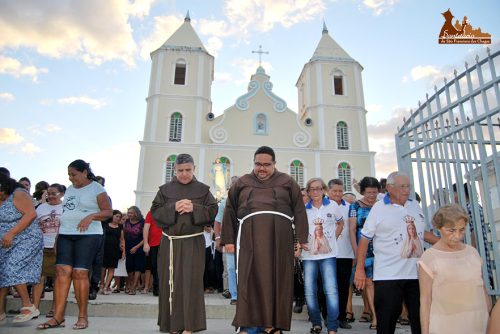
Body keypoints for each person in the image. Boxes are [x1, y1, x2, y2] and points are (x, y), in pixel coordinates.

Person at [221, 146, 308, 334]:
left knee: (278, 281)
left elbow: (299, 210)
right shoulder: (242, 182)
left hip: (280, 240)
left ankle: (272, 325)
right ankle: (247, 325)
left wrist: (300, 239)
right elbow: (229, 210)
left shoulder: (287, 182)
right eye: (258, 164)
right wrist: (228, 240)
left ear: (274, 164)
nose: (262, 168)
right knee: (249, 280)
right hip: (249, 240)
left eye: (266, 165)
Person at [37, 159, 112, 330]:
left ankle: (83, 316)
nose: (71, 178)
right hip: (65, 234)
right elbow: (67, 212)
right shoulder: (70, 189)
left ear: (85, 172)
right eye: (69, 175)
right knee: (62, 271)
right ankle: (57, 317)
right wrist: (57, 237)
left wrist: (91, 216)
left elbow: (108, 212)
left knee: (79, 273)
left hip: (88, 235)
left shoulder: (97, 188)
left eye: (74, 174)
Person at [151, 153, 218, 334]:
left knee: (191, 282)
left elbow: (213, 211)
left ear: (194, 169)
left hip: (193, 242)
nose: (184, 174)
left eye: (188, 170)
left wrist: (194, 208)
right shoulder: (164, 190)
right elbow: (155, 212)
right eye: (180, 170)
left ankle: (189, 326)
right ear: (175, 170)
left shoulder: (203, 190)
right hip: (169, 243)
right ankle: (172, 325)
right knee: (169, 281)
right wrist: (173, 207)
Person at [354, 171, 424, 334]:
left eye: (408, 186)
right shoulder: (379, 208)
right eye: (402, 187)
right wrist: (359, 269)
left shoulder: (414, 205)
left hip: (416, 274)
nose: (406, 190)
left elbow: (421, 233)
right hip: (388, 276)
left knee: (420, 320)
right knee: (386, 322)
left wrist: (442, 241)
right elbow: (364, 238)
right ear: (389, 188)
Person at [419, 204, 490, 334]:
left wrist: (489, 319)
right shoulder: (429, 258)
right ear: (439, 228)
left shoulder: (472, 253)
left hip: (478, 323)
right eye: (451, 230)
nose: (457, 236)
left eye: (462, 230)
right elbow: (425, 300)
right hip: (445, 326)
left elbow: (481, 288)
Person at [302, 178, 344, 334]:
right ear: (308, 191)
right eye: (312, 189)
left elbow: (341, 223)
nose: (315, 192)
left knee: (331, 290)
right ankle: (316, 323)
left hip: (328, 255)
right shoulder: (303, 209)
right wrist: (301, 242)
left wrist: (334, 238)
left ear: (324, 190)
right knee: (309, 291)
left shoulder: (333, 206)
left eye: (318, 188)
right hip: (309, 256)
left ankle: (332, 326)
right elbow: (298, 229)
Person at [0, 173, 43, 324]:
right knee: (2, 273)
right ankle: (1, 313)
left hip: (27, 238)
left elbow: (31, 214)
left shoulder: (19, 194)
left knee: (12, 268)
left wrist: (11, 233)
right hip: (5, 241)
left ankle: (28, 306)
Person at [349, 176, 380, 330]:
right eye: (368, 192)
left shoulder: (382, 205)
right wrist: (356, 252)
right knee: (368, 282)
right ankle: (375, 317)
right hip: (364, 249)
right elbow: (352, 230)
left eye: (374, 192)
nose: (371, 196)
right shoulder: (355, 206)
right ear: (362, 192)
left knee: (382, 283)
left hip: (382, 249)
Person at [32, 183, 66, 316]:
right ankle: (34, 308)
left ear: (62, 194)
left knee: (58, 278)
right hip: (42, 246)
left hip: (60, 246)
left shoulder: (65, 208)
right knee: (39, 277)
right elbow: (32, 224)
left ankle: (55, 308)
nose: (50, 196)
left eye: (54, 193)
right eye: (48, 194)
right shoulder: (41, 208)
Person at [327, 179, 354, 330]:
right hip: (327, 254)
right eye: (334, 191)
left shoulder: (350, 207)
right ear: (328, 192)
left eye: (340, 191)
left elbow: (353, 230)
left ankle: (342, 317)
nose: (338, 194)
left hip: (345, 253)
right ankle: (328, 316)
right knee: (328, 287)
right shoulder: (324, 206)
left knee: (343, 287)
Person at [100, 210, 125, 294]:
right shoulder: (105, 225)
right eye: (116, 216)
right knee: (103, 268)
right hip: (104, 249)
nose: (118, 218)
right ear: (112, 216)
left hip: (115, 250)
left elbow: (122, 240)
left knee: (112, 268)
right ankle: (102, 284)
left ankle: (106, 287)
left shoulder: (120, 227)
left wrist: (123, 251)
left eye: (119, 217)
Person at [123, 206, 145, 295]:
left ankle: (134, 287)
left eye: (131, 213)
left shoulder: (142, 222)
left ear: (136, 213)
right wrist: (123, 247)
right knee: (129, 267)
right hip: (128, 247)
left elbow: (145, 238)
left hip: (139, 247)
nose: (129, 214)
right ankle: (130, 284)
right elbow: (123, 235)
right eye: (128, 213)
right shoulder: (126, 222)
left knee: (137, 267)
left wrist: (136, 247)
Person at [143, 210, 162, 296]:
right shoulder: (151, 213)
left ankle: (164, 288)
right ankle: (156, 288)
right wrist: (146, 243)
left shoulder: (170, 211)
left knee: (166, 266)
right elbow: (146, 227)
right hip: (153, 244)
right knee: (155, 266)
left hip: (167, 243)